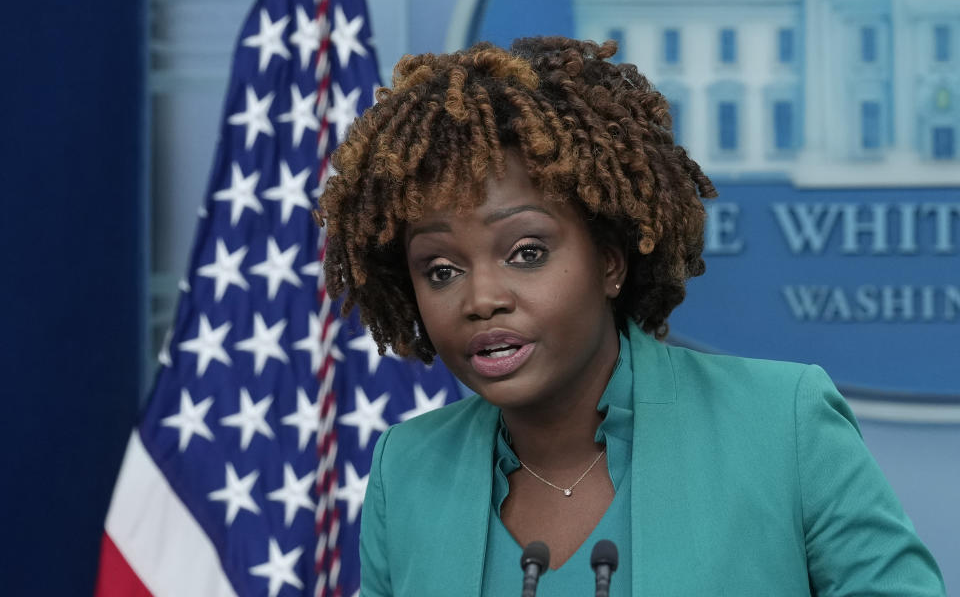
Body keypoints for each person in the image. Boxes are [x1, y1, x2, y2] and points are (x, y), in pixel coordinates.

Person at [319, 37, 945, 596]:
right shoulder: (408, 468)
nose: (481, 298)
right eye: (441, 271)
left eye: (526, 253)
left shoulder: (784, 425)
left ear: (610, 263)